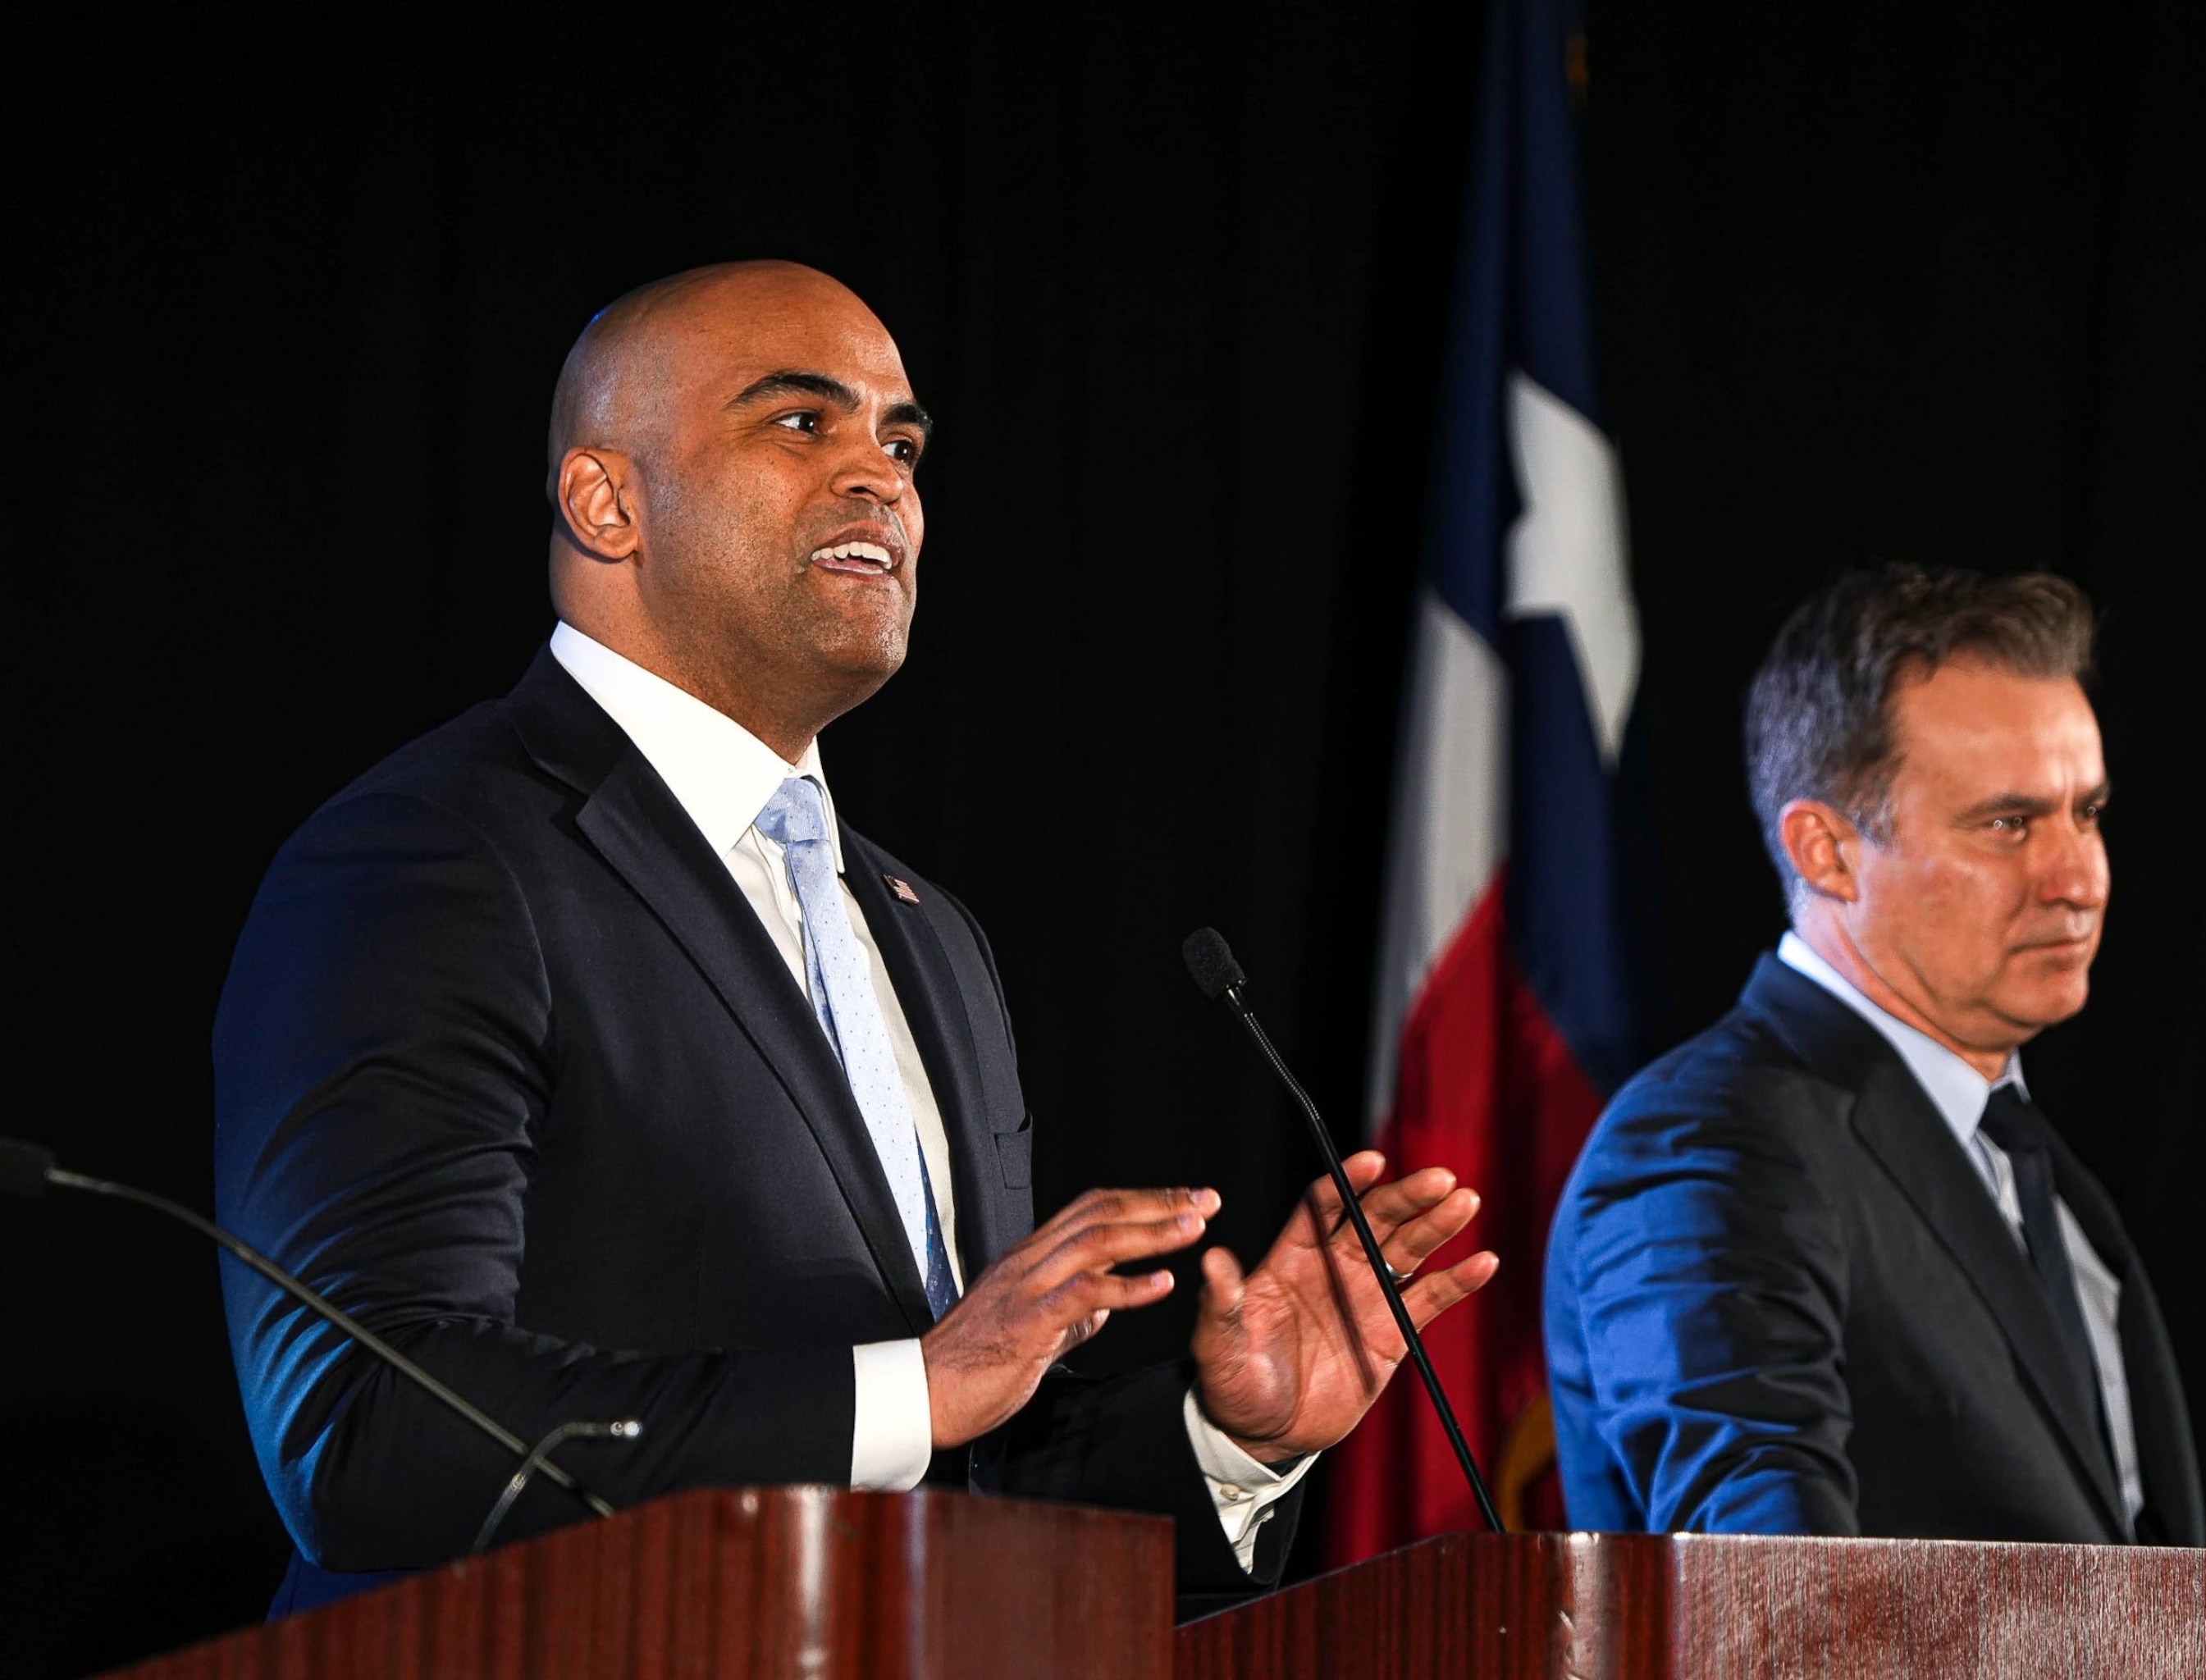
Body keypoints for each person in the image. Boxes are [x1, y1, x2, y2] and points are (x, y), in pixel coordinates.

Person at [213, 260, 1498, 1614]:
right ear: (605, 500)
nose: (881, 477)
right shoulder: (436, 856)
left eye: (900, 440)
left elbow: (972, 1479)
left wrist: (1231, 1436)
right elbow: (364, 1423)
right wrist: (917, 1384)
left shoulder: (927, 933)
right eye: (798, 422)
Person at [1543, 564, 2204, 1545]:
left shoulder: (2039, 1169)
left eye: (2088, 813)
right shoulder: (1707, 1140)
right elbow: (1765, 1596)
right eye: (2009, 823)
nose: (2079, 877)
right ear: (1826, 850)